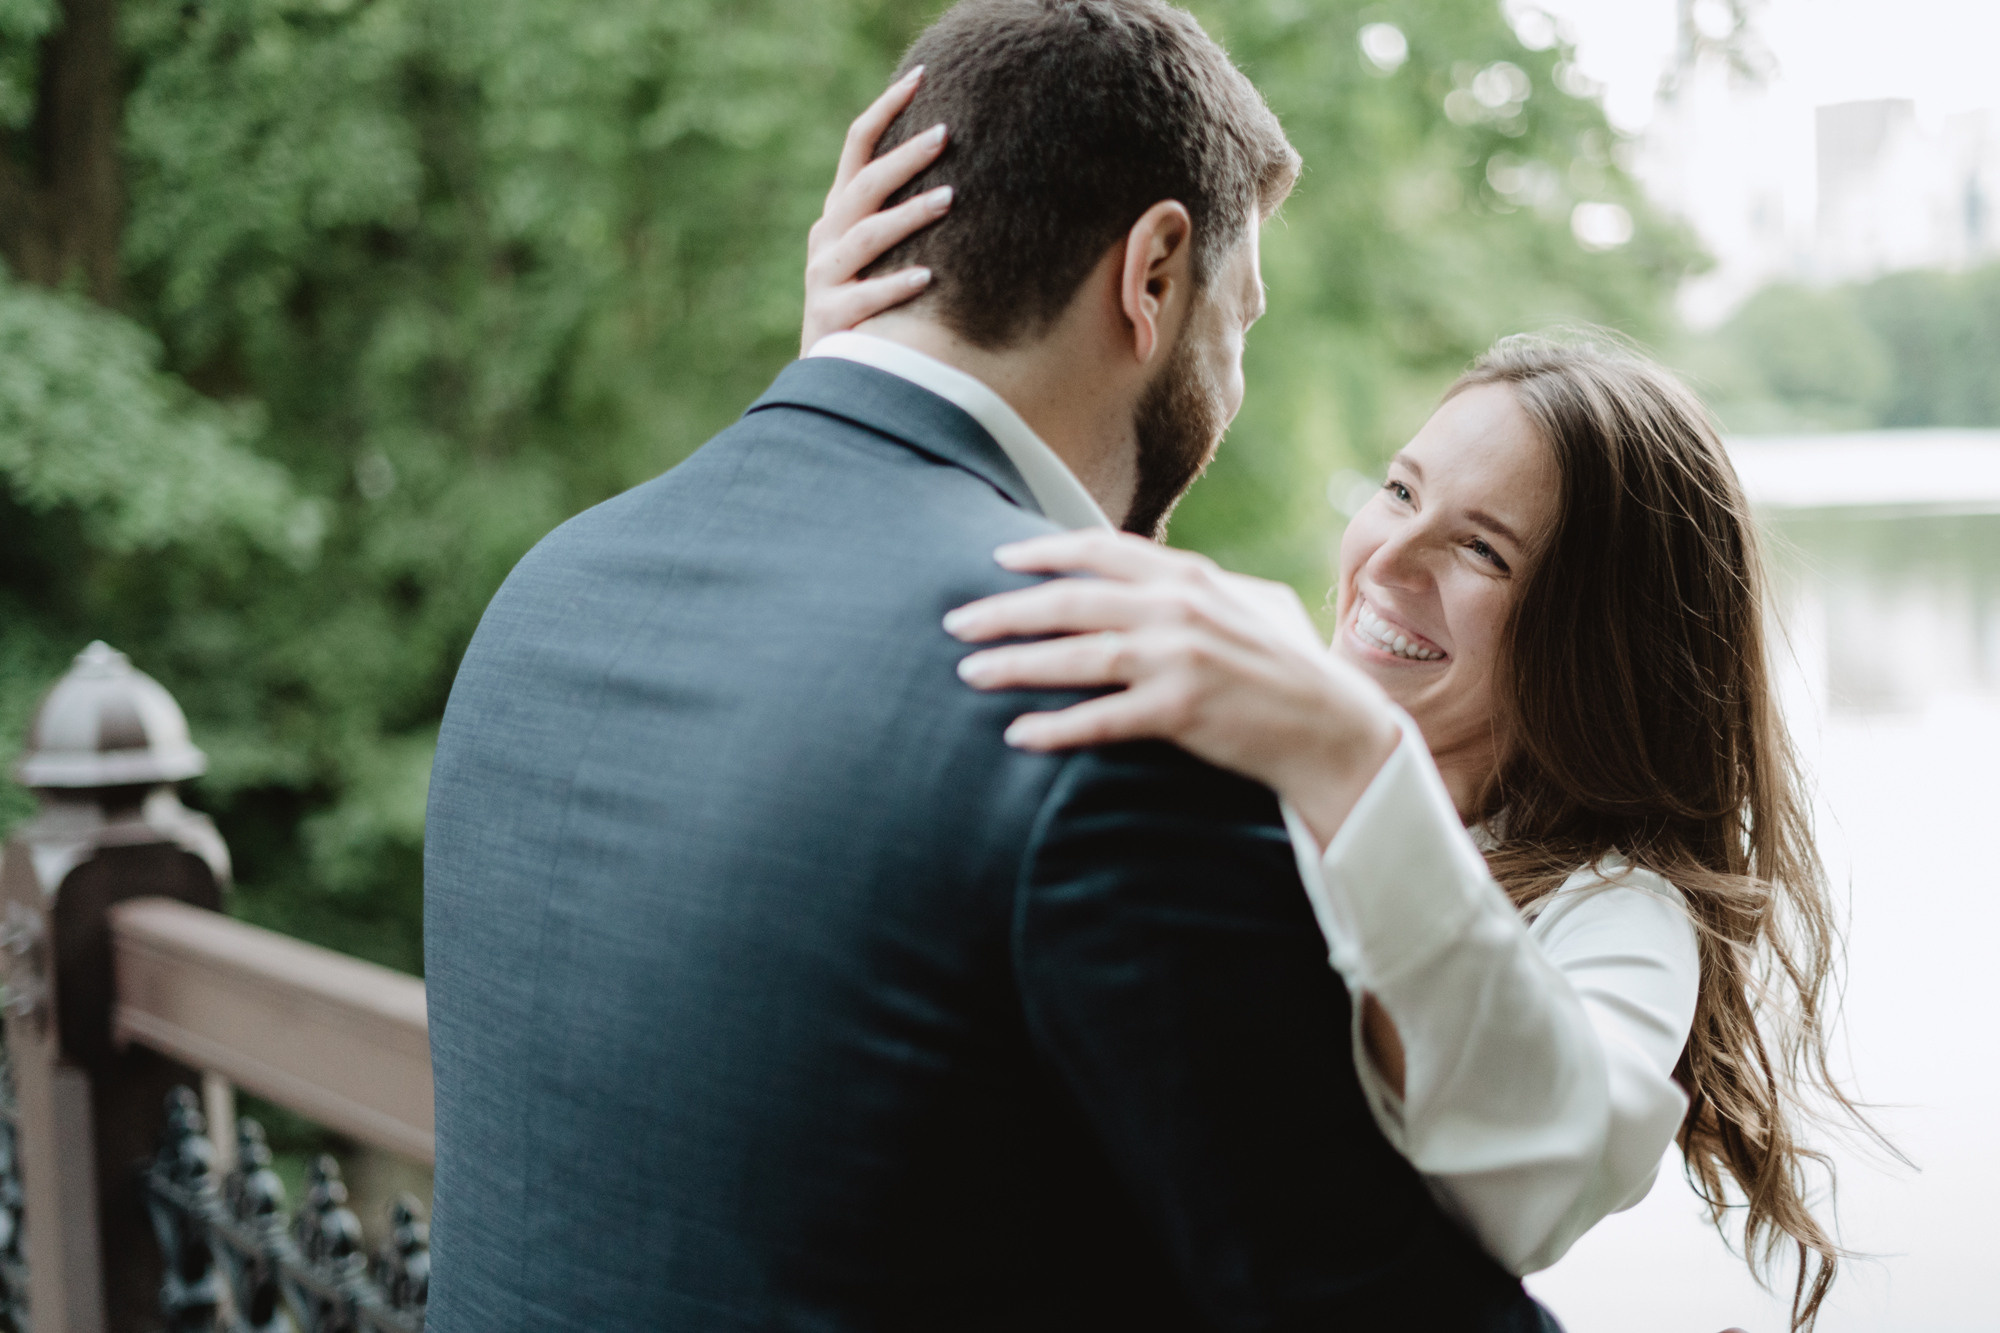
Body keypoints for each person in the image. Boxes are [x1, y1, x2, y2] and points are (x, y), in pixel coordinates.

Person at [422, 2, 1558, 1329]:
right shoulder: (1094, 695)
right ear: (1153, 274)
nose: (1234, 379)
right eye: (1237, 319)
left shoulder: (551, 590)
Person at [800, 71, 1874, 1333]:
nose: (1389, 561)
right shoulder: (1233, 695)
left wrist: (1352, 758)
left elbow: (1544, 1172)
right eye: (1400, 489)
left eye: (1482, 552)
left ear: (1600, 646)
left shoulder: (1618, 912)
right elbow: (1018, 568)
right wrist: (873, 373)